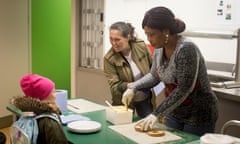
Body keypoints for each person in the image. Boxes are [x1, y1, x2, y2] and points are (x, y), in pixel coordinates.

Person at [122, 6, 218, 136]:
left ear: (166, 32)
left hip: (199, 112)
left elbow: (184, 89)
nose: (149, 39)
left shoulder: (186, 49)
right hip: (175, 110)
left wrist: (156, 114)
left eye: (152, 34)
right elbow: (154, 76)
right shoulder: (158, 48)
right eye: (146, 34)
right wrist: (134, 87)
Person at [104, 21, 154, 118]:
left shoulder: (141, 46)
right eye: (111, 39)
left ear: (128, 37)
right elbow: (114, 86)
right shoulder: (109, 59)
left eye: (117, 39)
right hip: (123, 102)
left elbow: (153, 68)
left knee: (146, 127)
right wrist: (132, 86)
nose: (114, 43)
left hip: (144, 99)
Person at [11, 74, 69, 144]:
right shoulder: (49, 122)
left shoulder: (27, 112)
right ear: (44, 96)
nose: (55, 94)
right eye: (53, 91)